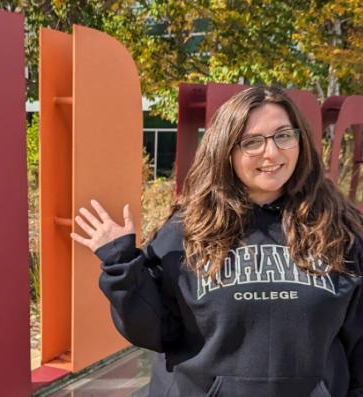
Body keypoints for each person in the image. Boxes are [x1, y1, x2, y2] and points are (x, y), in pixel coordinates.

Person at [70, 86, 363, 397]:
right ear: (226, 150)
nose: (272, 153)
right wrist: (122, 264)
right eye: (252, 142)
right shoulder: (189, 229)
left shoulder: (336, 228)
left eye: (283, 136)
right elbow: (156, 333)